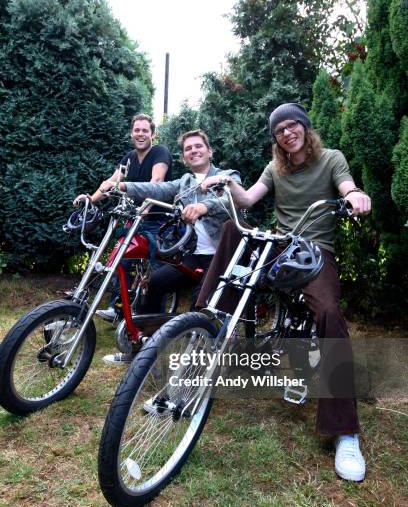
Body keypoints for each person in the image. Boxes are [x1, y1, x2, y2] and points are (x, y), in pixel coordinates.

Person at [199, 103, 371, 482]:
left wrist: (355, 195)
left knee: (328, 313)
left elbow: (346, 186)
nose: (286, 133)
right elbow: (247, 200)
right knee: (233, 228)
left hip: (313, 252)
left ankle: (345, 432)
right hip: (280, 244)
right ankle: (207, 322)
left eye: (292, 126)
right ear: (275, 138)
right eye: (279, 130)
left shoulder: (331, 159)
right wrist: (227, 182)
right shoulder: (275, 168)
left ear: (305, 128)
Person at [99, 128, 241, 363]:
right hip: (192, 256)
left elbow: (231, 197)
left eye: (198, 146)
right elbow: (157, 188)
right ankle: (143, 350)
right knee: (154, 283)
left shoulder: (227, 175)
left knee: (201, 302)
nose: (193, 151)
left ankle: (200, 364)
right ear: (184, 157)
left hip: (221, 257)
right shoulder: (185, 182)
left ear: (209, 151)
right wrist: (123, 187)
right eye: (188, 149)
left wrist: (205, 207)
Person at [74, 113, 172, 322]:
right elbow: (111, 182)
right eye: (137, 130)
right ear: (131, 133)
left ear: (153, 134)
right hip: (135, 219)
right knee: (120, 261)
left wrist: (144, 209)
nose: (140, 134)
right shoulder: (128, 158)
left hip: (157, 220)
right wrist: (90, 199)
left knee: (157, 268)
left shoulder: (159, 152)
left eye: (145, 130)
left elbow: (156, 182)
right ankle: (118, 309)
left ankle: (155, 318)